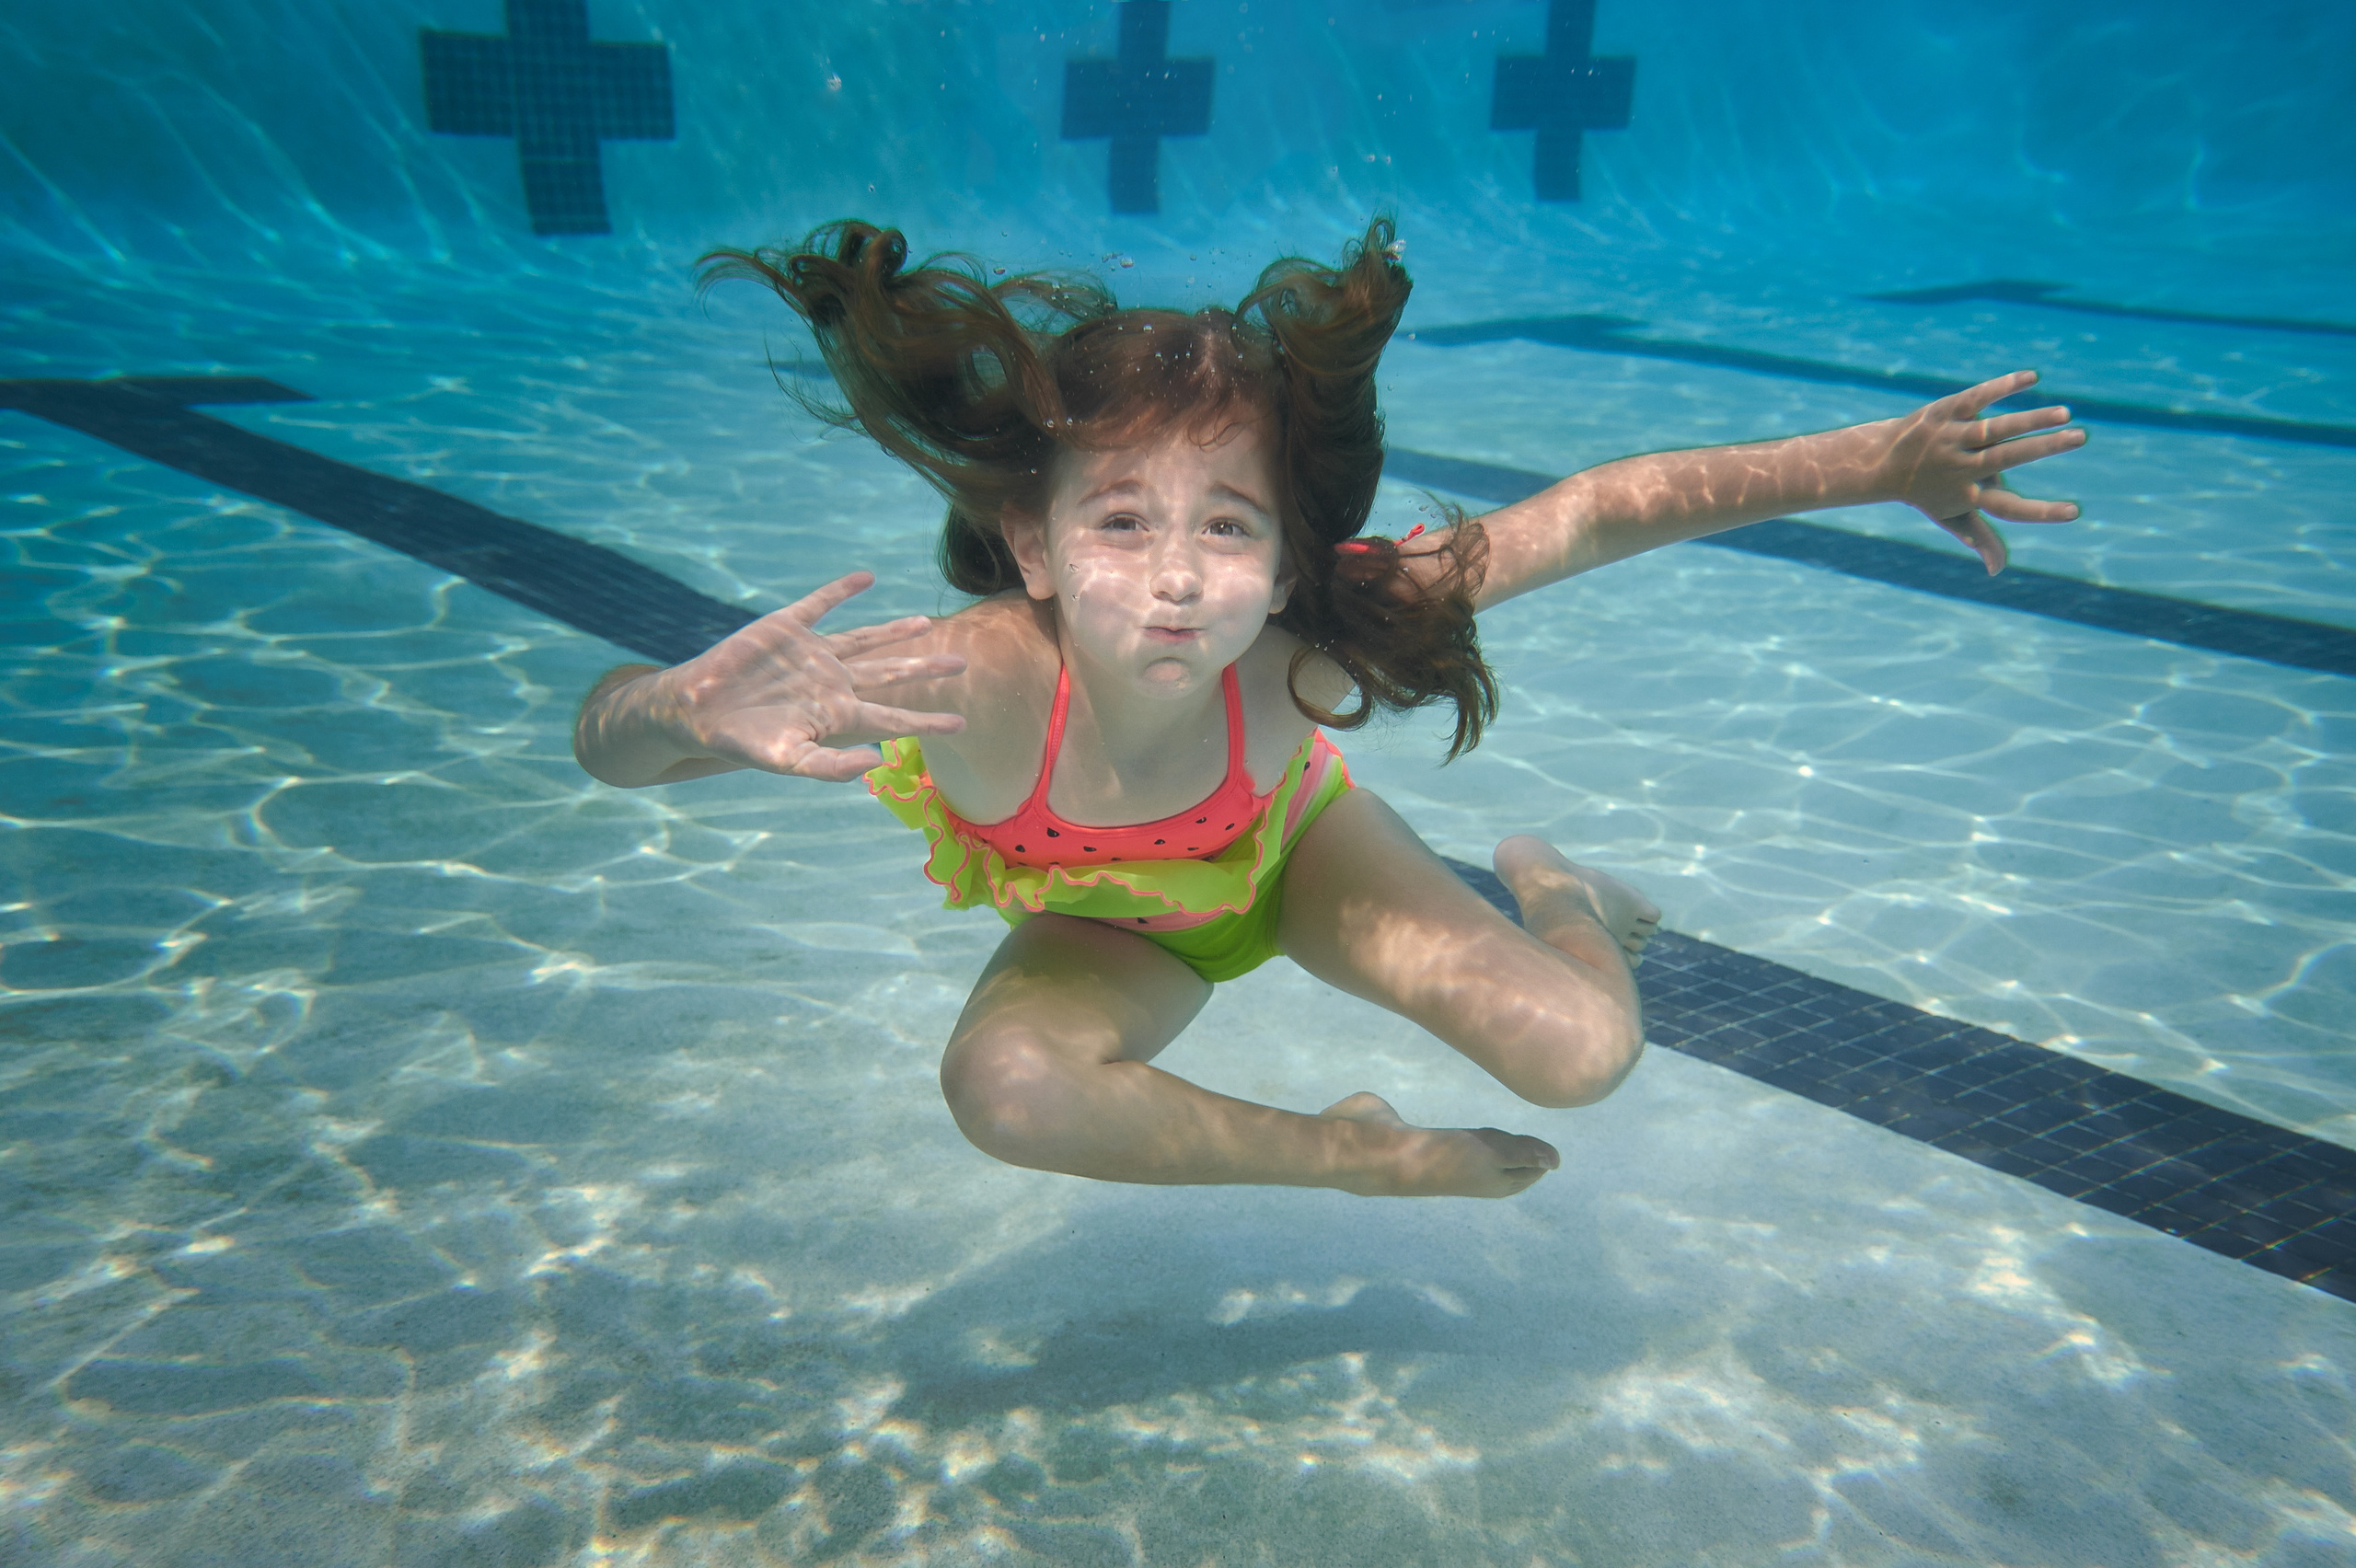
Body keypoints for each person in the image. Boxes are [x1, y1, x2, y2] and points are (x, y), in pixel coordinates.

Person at [573, 217, 2085, 1198]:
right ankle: (1352, 1155)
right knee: (1006, 1089)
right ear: (1030, 543)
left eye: (1227, 527)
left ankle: (1561, 895)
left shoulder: (1301, 648)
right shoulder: (971, 679)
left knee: (1585, 1056)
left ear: (1291, 553)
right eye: (1118, 524)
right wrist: (678, 713)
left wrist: (1874, 465)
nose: (1176, 580)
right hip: (1111, 936)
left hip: (1302, 867)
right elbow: (610, 745)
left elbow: (1598, 513)